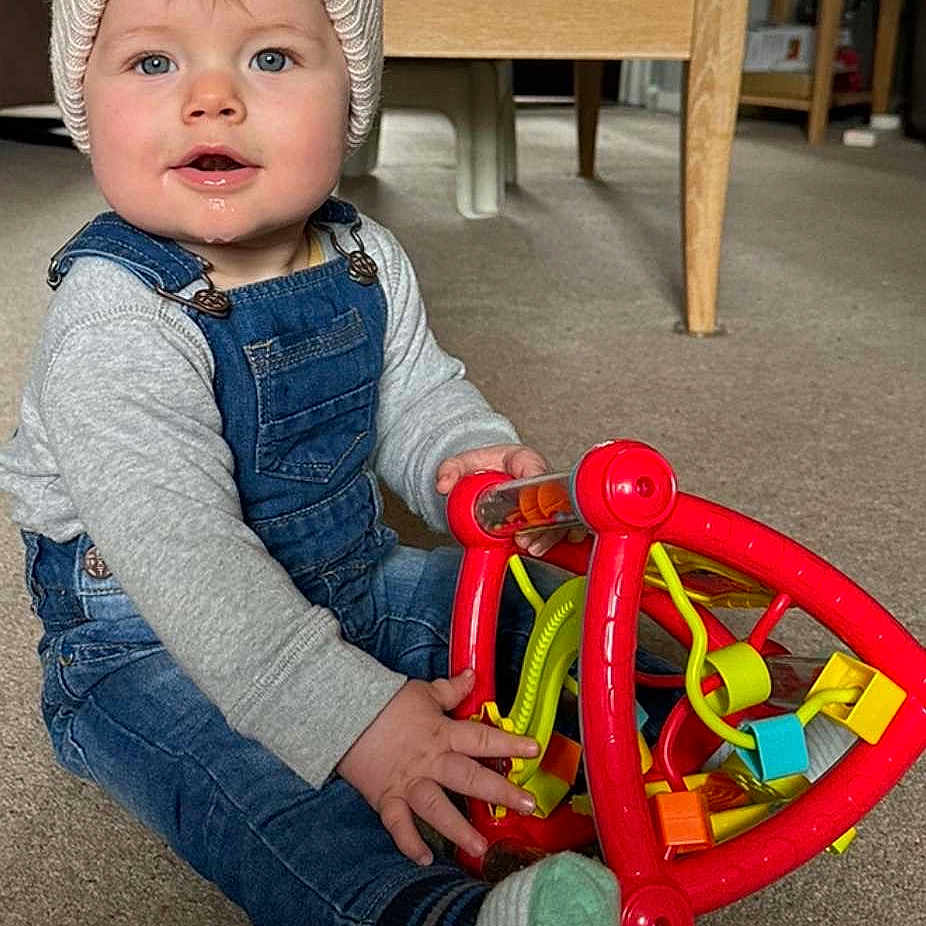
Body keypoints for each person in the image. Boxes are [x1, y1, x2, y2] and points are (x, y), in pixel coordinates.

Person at [0, 1, 656, 923]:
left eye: (270, 56)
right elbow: (191, 566)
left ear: (351, 98)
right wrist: (358, 721)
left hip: (354, 575)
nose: (212, 99)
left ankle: (694, 726)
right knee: (262, 801)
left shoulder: (363, 255)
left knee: (529, 603)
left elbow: (415, 392)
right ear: (82, 103)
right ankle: (429, 910)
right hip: (153, 644)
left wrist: (465, 459)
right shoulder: (115, 321)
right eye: (153, 64)